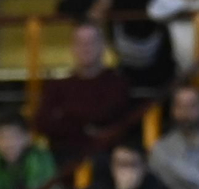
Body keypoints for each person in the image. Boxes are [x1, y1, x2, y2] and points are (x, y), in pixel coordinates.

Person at [34, 22, 134, 169]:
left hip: (105, 161)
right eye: (80, 43)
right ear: (72, 47)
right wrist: (87, 128)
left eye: (91, 42)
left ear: (102, 46)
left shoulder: (117, 84)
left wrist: (65, 115)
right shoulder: (56, 86)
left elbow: (107, 116)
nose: (86, 48)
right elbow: (42, 123)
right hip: (62, 160)